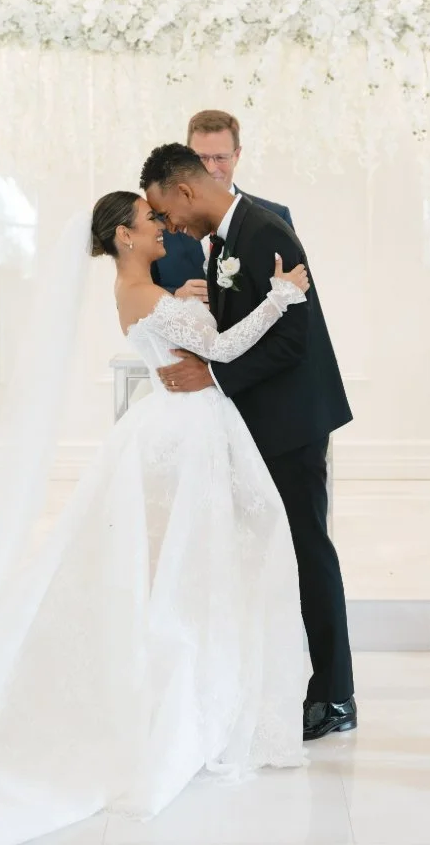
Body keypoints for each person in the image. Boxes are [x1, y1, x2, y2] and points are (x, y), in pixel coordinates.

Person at [0, 187, 311, 843]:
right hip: (189, 429)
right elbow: (229, 348)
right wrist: (280, 295)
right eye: (149, 220)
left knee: (180, 562)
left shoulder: (135, 295)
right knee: (203, 560)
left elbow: (178, 333)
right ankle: (190, 706)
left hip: (165, 426)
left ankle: (185, 692)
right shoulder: (155, 297)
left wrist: (185, 302)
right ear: (123, 237)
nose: (161, 226)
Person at [142, 144, 357, 741]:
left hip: (292, 422)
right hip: (264, 419)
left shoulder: (264, 230)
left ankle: (336, 695)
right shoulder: (229, 239)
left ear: (184, 191)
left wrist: (213, 375)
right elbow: (250, 321)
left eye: (166, 212)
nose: (170, 226)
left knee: (310, 551)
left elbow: (294, 339)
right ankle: (290, 679)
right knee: (277, 554)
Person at [152, 110, 293, 300]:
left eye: (220, 158)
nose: (210, 168)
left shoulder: (276, 217)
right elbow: (130, 297)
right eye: (201, 158)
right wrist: (174, 296)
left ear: (237, 155)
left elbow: (296, 298)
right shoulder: (157, 220)